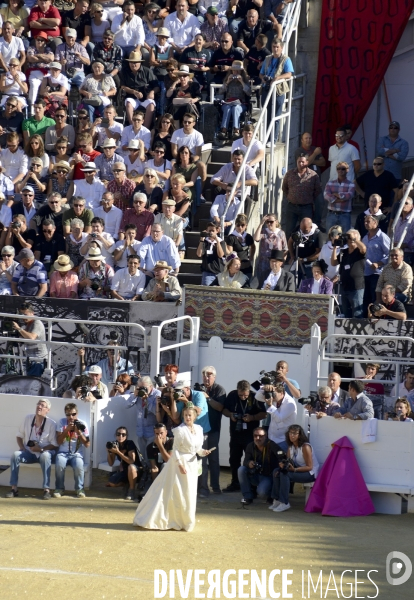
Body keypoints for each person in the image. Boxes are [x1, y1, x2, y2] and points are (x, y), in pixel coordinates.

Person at [133, 403, 212, 531]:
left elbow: (197, 449)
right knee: (179, 492)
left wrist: (204, 452)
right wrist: (180, 465)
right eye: (185, 415)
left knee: (190, 492)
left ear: (194, 416)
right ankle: (174, 519)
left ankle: (186, 520)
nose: (187, 418)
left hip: (192, 464)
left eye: (189, 415)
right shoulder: (180, 430)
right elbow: (175, 450)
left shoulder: (199, 429)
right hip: (179, 463)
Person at [6, 398, 58, 500]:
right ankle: (14, 488)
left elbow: (54, 444)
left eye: (43, 405)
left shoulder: (51, 423)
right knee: (15, 455)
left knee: (46, 456)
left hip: (43, 453)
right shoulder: (28, 418)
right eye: (38, 404)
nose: (39, 406)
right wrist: (21, 447)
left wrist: (41, 449)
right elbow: (19, 435)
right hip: (29, 453)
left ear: (47, 410)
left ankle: (46, 490)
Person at [222, 379, 267, 492]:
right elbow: (224, 410)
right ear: (237, 391)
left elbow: (264, 413)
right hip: (235, 433)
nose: (243, 397)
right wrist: (231, 415)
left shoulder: (255, 396)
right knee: (234, 459)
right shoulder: (232, 395)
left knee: (251, 459)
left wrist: (252, 417)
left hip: (251, 435)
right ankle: (235, 482)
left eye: (245, 395)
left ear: (249, 391)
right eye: (240, 395)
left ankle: (252, 486)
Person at [270, 424, 319, 513]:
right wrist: (282, 465)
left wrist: (294, 470)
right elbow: (288, 462)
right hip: (298, 470)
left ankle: (284, 502)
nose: (292, 435)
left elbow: (309, 467)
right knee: (276, 471)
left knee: (286, 474)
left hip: (310, 473)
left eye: (295, 433)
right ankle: (276, 499)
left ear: (299, 435)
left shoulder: (305, 447)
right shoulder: (291, 447)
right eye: (290, 433)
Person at [197, 366, 226, 495]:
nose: (206, 377)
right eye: (204, 374)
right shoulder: (197, 388)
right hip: (200, 430)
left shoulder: (219, 390)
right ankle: (201, 487)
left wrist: (207, 398)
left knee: (213, 459)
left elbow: (220, 407)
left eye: (209, 375)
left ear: (214, 376)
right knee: (200, 458)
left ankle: (215, 487)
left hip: (213, 429)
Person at [259, 37, 294, 143]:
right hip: (266, 89)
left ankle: (273, 140)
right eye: (273, 47)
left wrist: (277, 78)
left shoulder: (286, 59)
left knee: (276, 116)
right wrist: (263, 79)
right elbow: (261, 73)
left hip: (278, 91)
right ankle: (266, 138)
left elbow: (290, 74)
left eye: (277, 47)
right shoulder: (267, 58)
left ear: (281, 48)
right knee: (267, 115)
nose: (275, 49)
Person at [238, 426, 282, 506]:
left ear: (265, 436)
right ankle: (247, 497)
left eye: (261, 436)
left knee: (262, 493)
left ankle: (271, 495)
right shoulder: (250, 446)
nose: (258, 438)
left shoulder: (272, 445)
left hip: (268, 476)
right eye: (255, 436)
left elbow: (282, 457)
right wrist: (249, 463)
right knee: (241, 469)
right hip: (255, 474)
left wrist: (278, 469)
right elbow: (245, 462)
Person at [54, 402, 90, 498]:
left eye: (73, 414)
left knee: (79, 466)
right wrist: (67, 429)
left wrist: (79, 433)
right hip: (62, 453)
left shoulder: (82, 424)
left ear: (77, 414)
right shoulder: (62, 422)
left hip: (77, 454)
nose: (71, 417)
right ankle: (59, 488)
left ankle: (79, 489)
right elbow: (59, 442)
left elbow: (87, 444)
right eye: (68, 414)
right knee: (59, 465)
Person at [283, 155, 322, 238]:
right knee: (289, 230)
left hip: (306, 208)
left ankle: (303, 249)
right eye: (299, 162)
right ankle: (289, 250)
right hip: (292, 207)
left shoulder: (313, 175)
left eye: (303, 162)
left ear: (307, 162)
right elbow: (284, 187)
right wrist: (290, 197)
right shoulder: (290, 173)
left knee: (305, 230)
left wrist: (309, 199)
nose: (301, 163)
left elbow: (317, 190)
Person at [331, 229, 366, 318]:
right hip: (344, 287)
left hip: (356, 288)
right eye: (348, 238)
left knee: (357, 314)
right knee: (346, 314)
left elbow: (364, 249)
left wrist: (354, 238)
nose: (350, 240)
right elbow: (333, 262)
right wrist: (335, 247)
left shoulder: (359, 251)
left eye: (352, 239)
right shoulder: (344, 252)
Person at [362, 214, 390, 312]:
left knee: (375, 298)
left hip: (377, 273)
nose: (365, 223)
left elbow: (390, 254)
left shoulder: (383, 237)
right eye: (365, 221)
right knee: (366, 298)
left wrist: (379, 263)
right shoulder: (365, 237)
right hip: (365, 272)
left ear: (375, 223)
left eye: (368, 221)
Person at [106, 426, 142, 501]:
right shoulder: (115, 444)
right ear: (116, 435)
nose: (120, 436)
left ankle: (131, 490)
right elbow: (110, 463)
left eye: (123, 435)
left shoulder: (130, 443)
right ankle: (127, 484)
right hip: (125, 471)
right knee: (111, 483)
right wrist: (108, 452)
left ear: (126, 436)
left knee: (131, 467)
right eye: (118, 434)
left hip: (136, 470)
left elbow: (132, 461)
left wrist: (118, 452)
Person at [217, 60, 251, 140]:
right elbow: (221, 91)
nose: (235, 72)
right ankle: (223, 130)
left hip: (240, 103)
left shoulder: (245, 80)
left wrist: (242, 82)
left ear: (241, 71)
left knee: (236, 108)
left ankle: (236, 130)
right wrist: (227, 82)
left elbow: (249, 93)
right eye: (234, 70)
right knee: (227, 108)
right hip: (228, 102)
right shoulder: (227, 79)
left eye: (237, 70)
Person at [129, 376, 161, 461]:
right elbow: (127, 405)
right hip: (141, 431)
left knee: (150, 457)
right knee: (143, 456)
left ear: (151, 386)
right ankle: (146, 472)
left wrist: (147, 399)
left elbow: (156, 411)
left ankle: (151, 473)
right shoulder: (138, 394)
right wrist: (134, 395)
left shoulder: (157, 394)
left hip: (151, 431)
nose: (143, 390)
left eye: (145, 387)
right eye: (141, 387)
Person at [261, 382, 297, 450]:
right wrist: (265, 388)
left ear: (281, 393)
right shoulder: (276, 399)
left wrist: (270, 406)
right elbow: (257, 397)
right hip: (271, 438)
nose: (272, 397)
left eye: (274, 394)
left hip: (283, 440)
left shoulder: (290, 403)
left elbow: (279, 418)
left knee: (281, 460)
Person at [288, 217, 323, 282]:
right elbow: (290, 242)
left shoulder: (317, 234)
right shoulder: (297, 230)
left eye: (305, 230)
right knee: (292, 282)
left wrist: (304, 260)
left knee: (308, 285)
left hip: (309, 264)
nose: (303, 232)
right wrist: (292, 256)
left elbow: (318, 253)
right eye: (302, 229)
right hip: (297, 262)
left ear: (311, 227)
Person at [323, 161, 355, 233]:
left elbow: (349, 196)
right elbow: (326, 196)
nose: (340, 170)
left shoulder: (351, 184)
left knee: (345, 238)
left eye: (343, 168)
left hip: (345, 215)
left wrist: (335, 194)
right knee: (330, 238)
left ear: (347, 170)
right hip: (331, 214)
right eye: (338, 168)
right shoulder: (330, 183)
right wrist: (340, 199)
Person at [166, 64, 201, 128]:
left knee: (188, 106)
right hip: (177, 107)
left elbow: (199, 96)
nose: (182, 78)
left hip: (189, 107)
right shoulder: (176, 86)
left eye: (184, 76)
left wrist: (194, 100)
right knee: (173, 107)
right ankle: (176, 130)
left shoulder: (194, 85)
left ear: (188, 77)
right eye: (180, 76)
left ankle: (188, 127)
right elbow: (168, 95)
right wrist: (175, 83)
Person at [225, 213, 255, 279]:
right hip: (236, 268)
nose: (240, 227)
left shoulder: (248, 237)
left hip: (246, 266)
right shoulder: (231, 237)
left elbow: (253, 247)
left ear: (246, 226)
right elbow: (231, 254)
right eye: (238, 225)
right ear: (235, 225)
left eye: (242, 225)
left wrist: (251, 258)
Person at [197, 221, 226, 286]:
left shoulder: (221, 242)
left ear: (217, 231)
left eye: (213, 230)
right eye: (209, 231)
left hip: (219, 273)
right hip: (207, 272)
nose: (211, 232)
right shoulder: (204, 242)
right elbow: (199, 254)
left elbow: (221, 255)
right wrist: (201, 240)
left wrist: (217, 241)